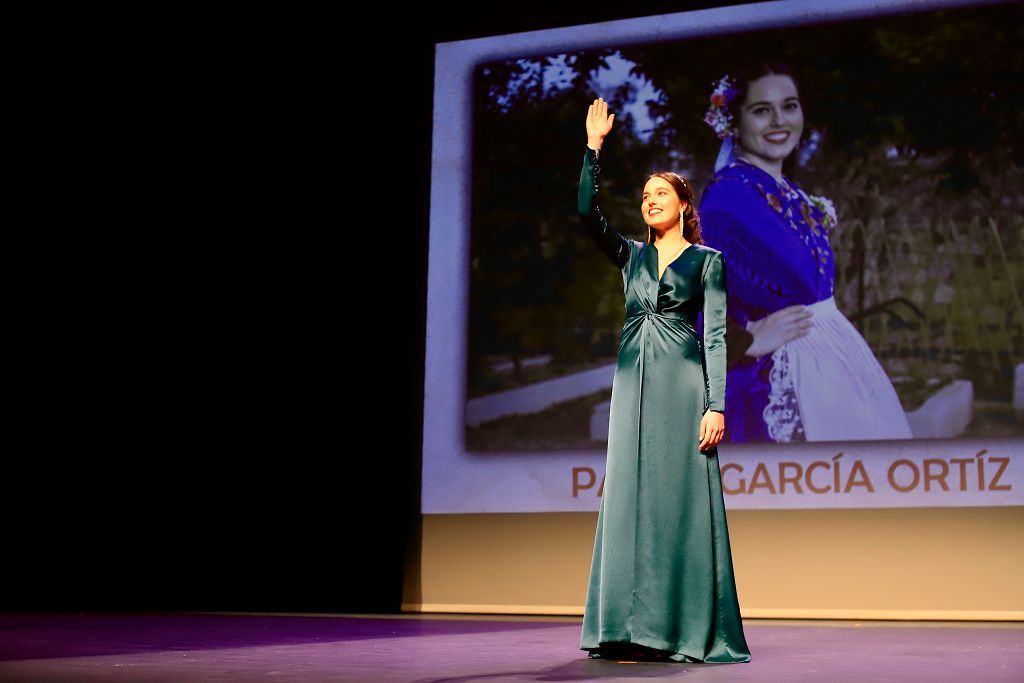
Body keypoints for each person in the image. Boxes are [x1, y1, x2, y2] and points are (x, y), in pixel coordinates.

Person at [577, 97, 751, 664]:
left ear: (682, 205)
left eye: (660, 194)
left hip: (682, 385)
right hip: (631, 385)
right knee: (628, 496)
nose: (650, 200)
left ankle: (678, 628)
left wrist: (716, 404)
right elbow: (585, 213)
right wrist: (593, 149)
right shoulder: (629, 257)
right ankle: (624, 628)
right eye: (645, 195)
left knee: (676, 501)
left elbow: (719, 336)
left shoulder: (707, 261)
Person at [699, 63, 914, 443]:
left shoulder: (789, 191)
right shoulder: (728, 198)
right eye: (761, 110)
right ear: (733, 122)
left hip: (834, 367)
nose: (778, 121)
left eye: (790, 106)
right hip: (778, 378)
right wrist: (745, 340)